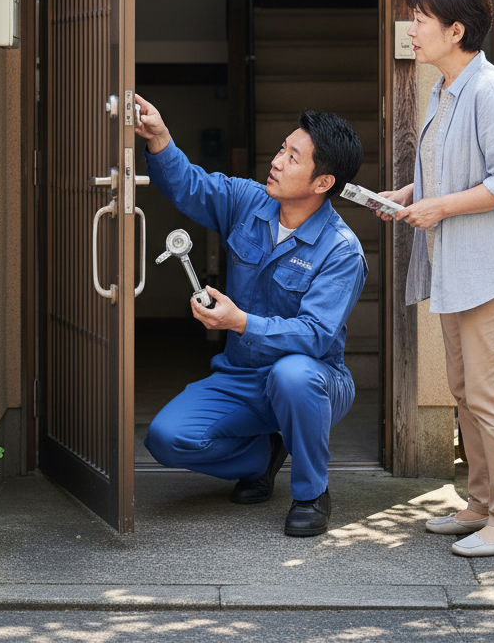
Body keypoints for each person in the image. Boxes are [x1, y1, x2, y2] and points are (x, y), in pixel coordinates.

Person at [134, 94, 367, 537]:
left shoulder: (341, 250)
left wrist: (240, 322)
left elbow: (315, 335)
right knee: (165, 438)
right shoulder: (249, 201)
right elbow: (193, 185)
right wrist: (161, 138)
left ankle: (312, 493)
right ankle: (264, 455)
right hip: (241, 375)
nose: (277, 161)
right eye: (282, 148)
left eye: (293, 157)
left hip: (315, 378)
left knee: (293, 375)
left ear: (322, 182)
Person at [378, 0, 494, 558]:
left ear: (456, 29)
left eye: (420, 20)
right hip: (454, 263)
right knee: (463, 388)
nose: (412, 29)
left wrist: (439, 206)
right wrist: (408, 194)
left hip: (490, 268)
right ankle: (481, 502)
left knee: (491, 391)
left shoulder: (489, 90)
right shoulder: (444, 88)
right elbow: (446, 168)